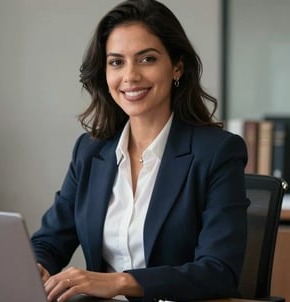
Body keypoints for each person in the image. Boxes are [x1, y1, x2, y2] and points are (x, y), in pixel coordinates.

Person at [31, 0, 249, 301]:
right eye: (116, 62)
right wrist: (37, 266)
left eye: (147, 59)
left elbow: (218, 270)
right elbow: (50, 241)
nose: (130, 76)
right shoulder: (90, 152)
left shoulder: (217, 153)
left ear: (177, 67)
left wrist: (122, 282)